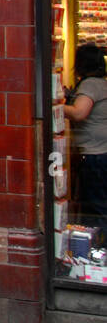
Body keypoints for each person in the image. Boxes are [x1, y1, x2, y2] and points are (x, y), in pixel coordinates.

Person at [64, 44, 107, 236]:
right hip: (101, 151)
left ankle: (97, 248)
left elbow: (79, 113)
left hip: (93, 154)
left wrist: (55, 105)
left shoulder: (90, 84)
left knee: (95, 206)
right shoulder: (102, 83)